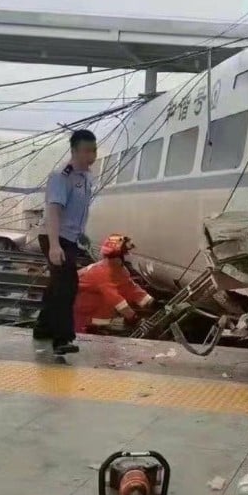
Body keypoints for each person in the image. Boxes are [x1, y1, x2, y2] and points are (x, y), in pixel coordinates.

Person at [33, 129, 97, 355]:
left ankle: (42, 327)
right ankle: (62, 339)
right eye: (86, 151)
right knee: (67, 287)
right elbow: (53, 211)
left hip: (69, 237)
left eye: (93, 150)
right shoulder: (62, 175)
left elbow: (77, 212)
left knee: (57, 285)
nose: (91, 156)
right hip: (55, 236)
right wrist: (54, 245)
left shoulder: (86, 177)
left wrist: (81, 234)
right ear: (74, 151)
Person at [73, 234, 154, 334]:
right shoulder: (101, 273)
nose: (128, 256)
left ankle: (95, 328)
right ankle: (90, 329)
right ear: (117, 256)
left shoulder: (118, 269)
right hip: (79, 313)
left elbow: (130, 288)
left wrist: (151, 302)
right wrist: (135, 319)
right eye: (126, 254)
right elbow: (116, 300)